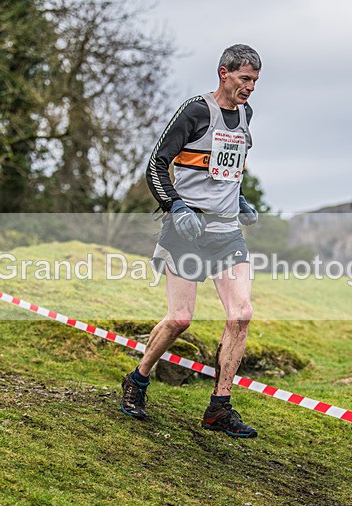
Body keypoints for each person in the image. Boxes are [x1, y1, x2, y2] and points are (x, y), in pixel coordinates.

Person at [120, 44, 262, 438]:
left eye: (255, 81)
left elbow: (229, 166)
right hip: (186, 231)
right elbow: (156, 164)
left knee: (241, 314)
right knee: (181, 319)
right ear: (223, 73)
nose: (250, 87)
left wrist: (241, 199)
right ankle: (138, 377)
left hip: (225, 233)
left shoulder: (246, 114)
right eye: (244, 78)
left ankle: (220, 406)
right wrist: (175, 205)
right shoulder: (196, 111)